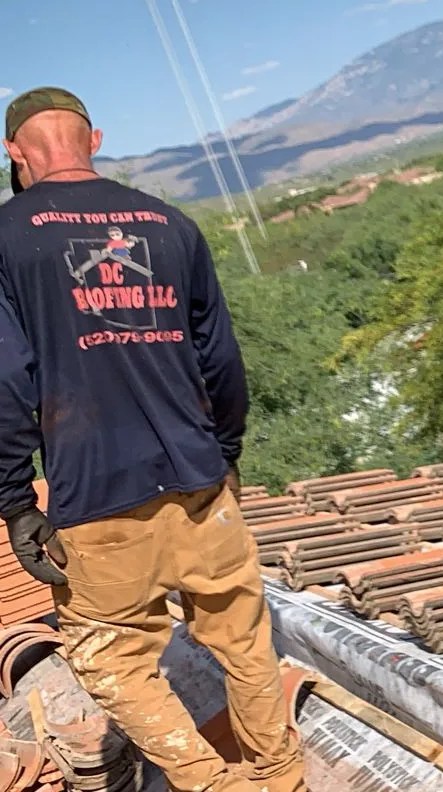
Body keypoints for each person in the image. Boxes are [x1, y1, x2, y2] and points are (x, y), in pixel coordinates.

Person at [0, 88, 306, 792]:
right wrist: (224, 456)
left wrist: (15, 501)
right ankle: (282, 780)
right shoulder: (171, 225)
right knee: (246, 646)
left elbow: (7, 378)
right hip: (202, 487)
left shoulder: (8, 236)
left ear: (15, 151)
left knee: (110, 658)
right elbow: (221, 361)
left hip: (97, 497)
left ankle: (215, 786)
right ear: (94, 138)